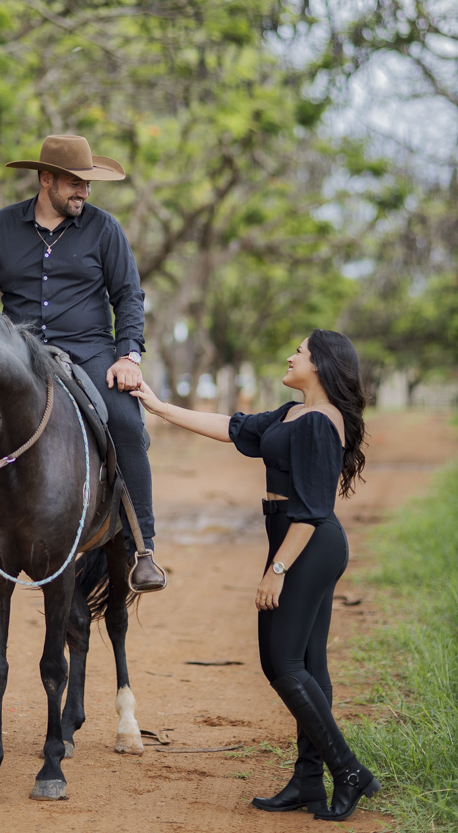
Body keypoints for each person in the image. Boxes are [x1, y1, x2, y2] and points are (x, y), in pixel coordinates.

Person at [0, 134, 166, 593]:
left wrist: (128, 356)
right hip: (17, 355)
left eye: (87, 184)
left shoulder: (105, 229)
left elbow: (128, 296)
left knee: (127, 423)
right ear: (46, 180)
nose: (84, 192)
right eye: (75, 183)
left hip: (89, 351)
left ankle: (143, 550)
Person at [130, 329, 381, 822]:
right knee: (307, 664)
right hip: (295, 539)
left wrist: (277, 569)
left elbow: (312, 510)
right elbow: (232, 427)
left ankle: (349, 770)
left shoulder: (320, 422)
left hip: (306, 544)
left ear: (321, 363)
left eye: (299, 352)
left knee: (282, 663)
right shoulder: (294, 413)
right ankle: (308, 780)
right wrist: (158, 407)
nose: (290, 357)